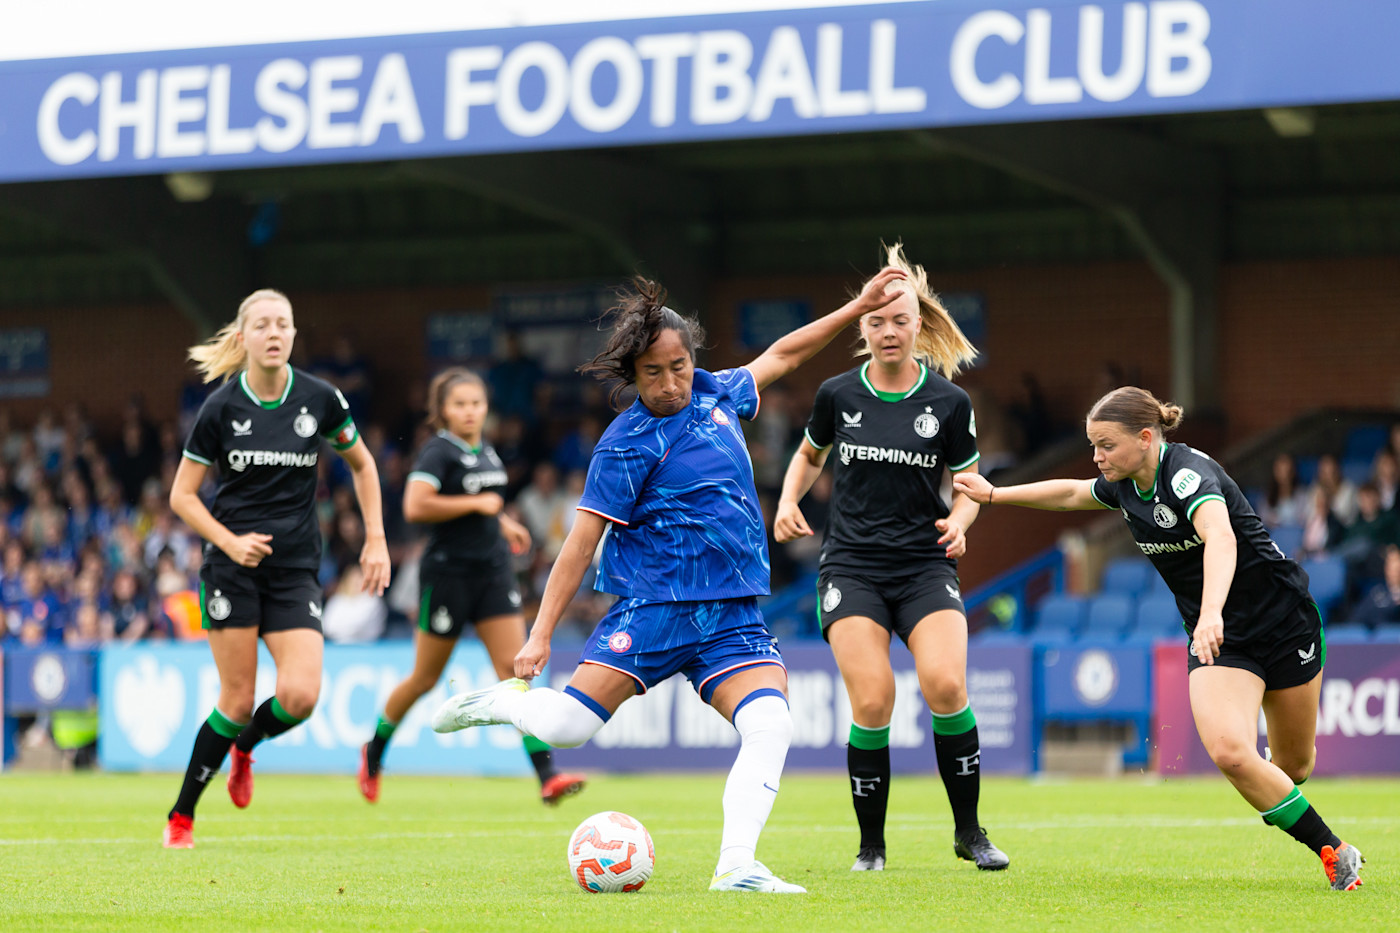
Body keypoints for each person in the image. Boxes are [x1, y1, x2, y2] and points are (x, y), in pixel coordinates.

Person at [430, 268, 908, 894]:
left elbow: (785, 353)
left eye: (679, 366)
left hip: (731, 615)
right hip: (653, 609)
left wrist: (858, 309)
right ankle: (502, 704)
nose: (670, 383)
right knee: (570, 729)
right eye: (653, 373)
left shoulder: (718, 394)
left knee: (771, 724)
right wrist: (538, 635)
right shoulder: (624, 444)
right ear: (632, 376)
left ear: (692, 359)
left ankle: (737, 866)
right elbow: (579, 545)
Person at [952, 386, 1365, 892]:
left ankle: (1284, 798)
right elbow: (1071, 494)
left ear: (1145, 438)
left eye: (1105, 445)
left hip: (1285, 623)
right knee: (1233, 753)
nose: (1096, 457)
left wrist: (1212, 609)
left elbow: (1221, 536)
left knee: (1293, 766)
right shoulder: (1124, 483)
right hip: (1220, 641)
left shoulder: (1189, 475)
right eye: (1092, 446)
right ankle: (1335, 851)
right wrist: (995, 494)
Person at [773, 242, 1007, 873]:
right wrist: (789, 500)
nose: (888, 331)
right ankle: (870, 848)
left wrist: (960, 523)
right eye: (875, 321)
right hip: (850, 567)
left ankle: (969, 833)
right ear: (862, 327)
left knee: (947, 685)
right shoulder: (836, 393)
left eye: (900, 320)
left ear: (920, 326)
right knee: (873, 700)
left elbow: (970, 487)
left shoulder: (951, 404)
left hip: (925, 566)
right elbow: (807, 455)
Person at [163, 288, 390, 849]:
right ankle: (181, 817)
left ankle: (246, 748)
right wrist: (229, 541)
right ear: (243, 338)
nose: (273, 333)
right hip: (231, 571)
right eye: (261, 325)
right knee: (236, 700)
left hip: (293, 571)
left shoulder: (321, 399)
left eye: (282, 324)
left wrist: (376, 540)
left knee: (301, 696)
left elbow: (362, 465)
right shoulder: (220, 408)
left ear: (292, 335)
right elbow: (183, 496)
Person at [359, 367, 586, 806]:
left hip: (493, 571)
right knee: (425, 677)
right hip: (448, 575)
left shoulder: (485, 450)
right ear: (442, 410)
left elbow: (480, 502)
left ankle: (546, 777)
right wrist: (480, 504)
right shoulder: (436, 451)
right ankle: (374, 749)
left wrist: (503, 523)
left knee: (515, 671)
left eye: (477, 404)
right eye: (460, 404)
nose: (470, 411)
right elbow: (416, 505)